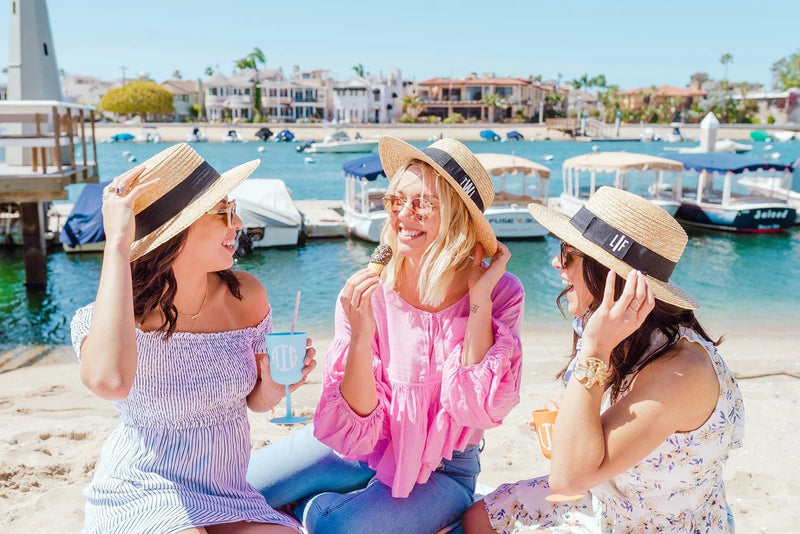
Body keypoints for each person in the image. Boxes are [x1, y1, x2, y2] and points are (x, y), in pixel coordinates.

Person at [246, 137, 525, 533]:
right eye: (395, 200)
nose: (403, 216)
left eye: (422, 203)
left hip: (442, 467)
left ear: (457, 217)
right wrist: (361, 336)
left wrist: (478, 301)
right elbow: (355, 426)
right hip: (360, 446)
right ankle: (318, 503)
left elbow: (474, 410)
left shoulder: (502, 291)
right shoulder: (372, 288)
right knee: (237, 490)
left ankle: (311, 508)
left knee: (336, 528)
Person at [462, 186, 744, 533]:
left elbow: (567, 479)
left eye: (567, 254)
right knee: (479, 518)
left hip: (658, 524)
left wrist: (594, 347)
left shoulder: (678, 372)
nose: (556, 263)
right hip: (612, 497)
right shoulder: (629, 333)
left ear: (608, 273)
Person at [70, 143, 316, 534]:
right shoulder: (110, 318)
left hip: (226, 492)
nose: (238, 224)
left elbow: (255, 401)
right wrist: (117, 245)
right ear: (177, 228)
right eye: (224, 213)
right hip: (142, 490)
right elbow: (110, 382)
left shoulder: (246, 296)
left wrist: (272, 386)